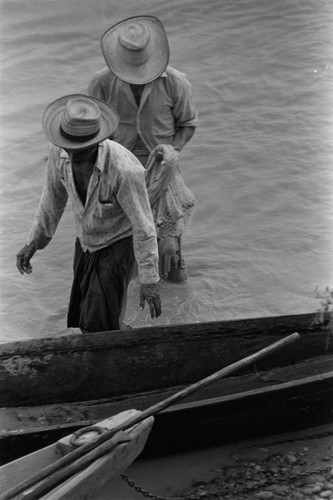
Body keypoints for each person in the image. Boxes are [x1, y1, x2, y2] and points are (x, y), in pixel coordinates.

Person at [16, 94, 161, 333]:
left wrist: (148, 279)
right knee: (87, 316)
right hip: (86, 242)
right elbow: (52, 199)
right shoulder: (58, 151)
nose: (71, 157)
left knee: (95, 324)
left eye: (80, 152)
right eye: (68, 149)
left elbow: (144, 226)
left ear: (96, 142)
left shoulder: (124, 170)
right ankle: (125, 339)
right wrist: (33, 242)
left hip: (117, 243)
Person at [88, 15, 198, 282]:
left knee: (171, 253)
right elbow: (91, 129)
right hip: (118, 172)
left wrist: (173, 150)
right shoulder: (101, 82)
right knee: (125, 248)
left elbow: (188, 124)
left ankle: (178, 310)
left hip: (163, 172)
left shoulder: (175, 82)